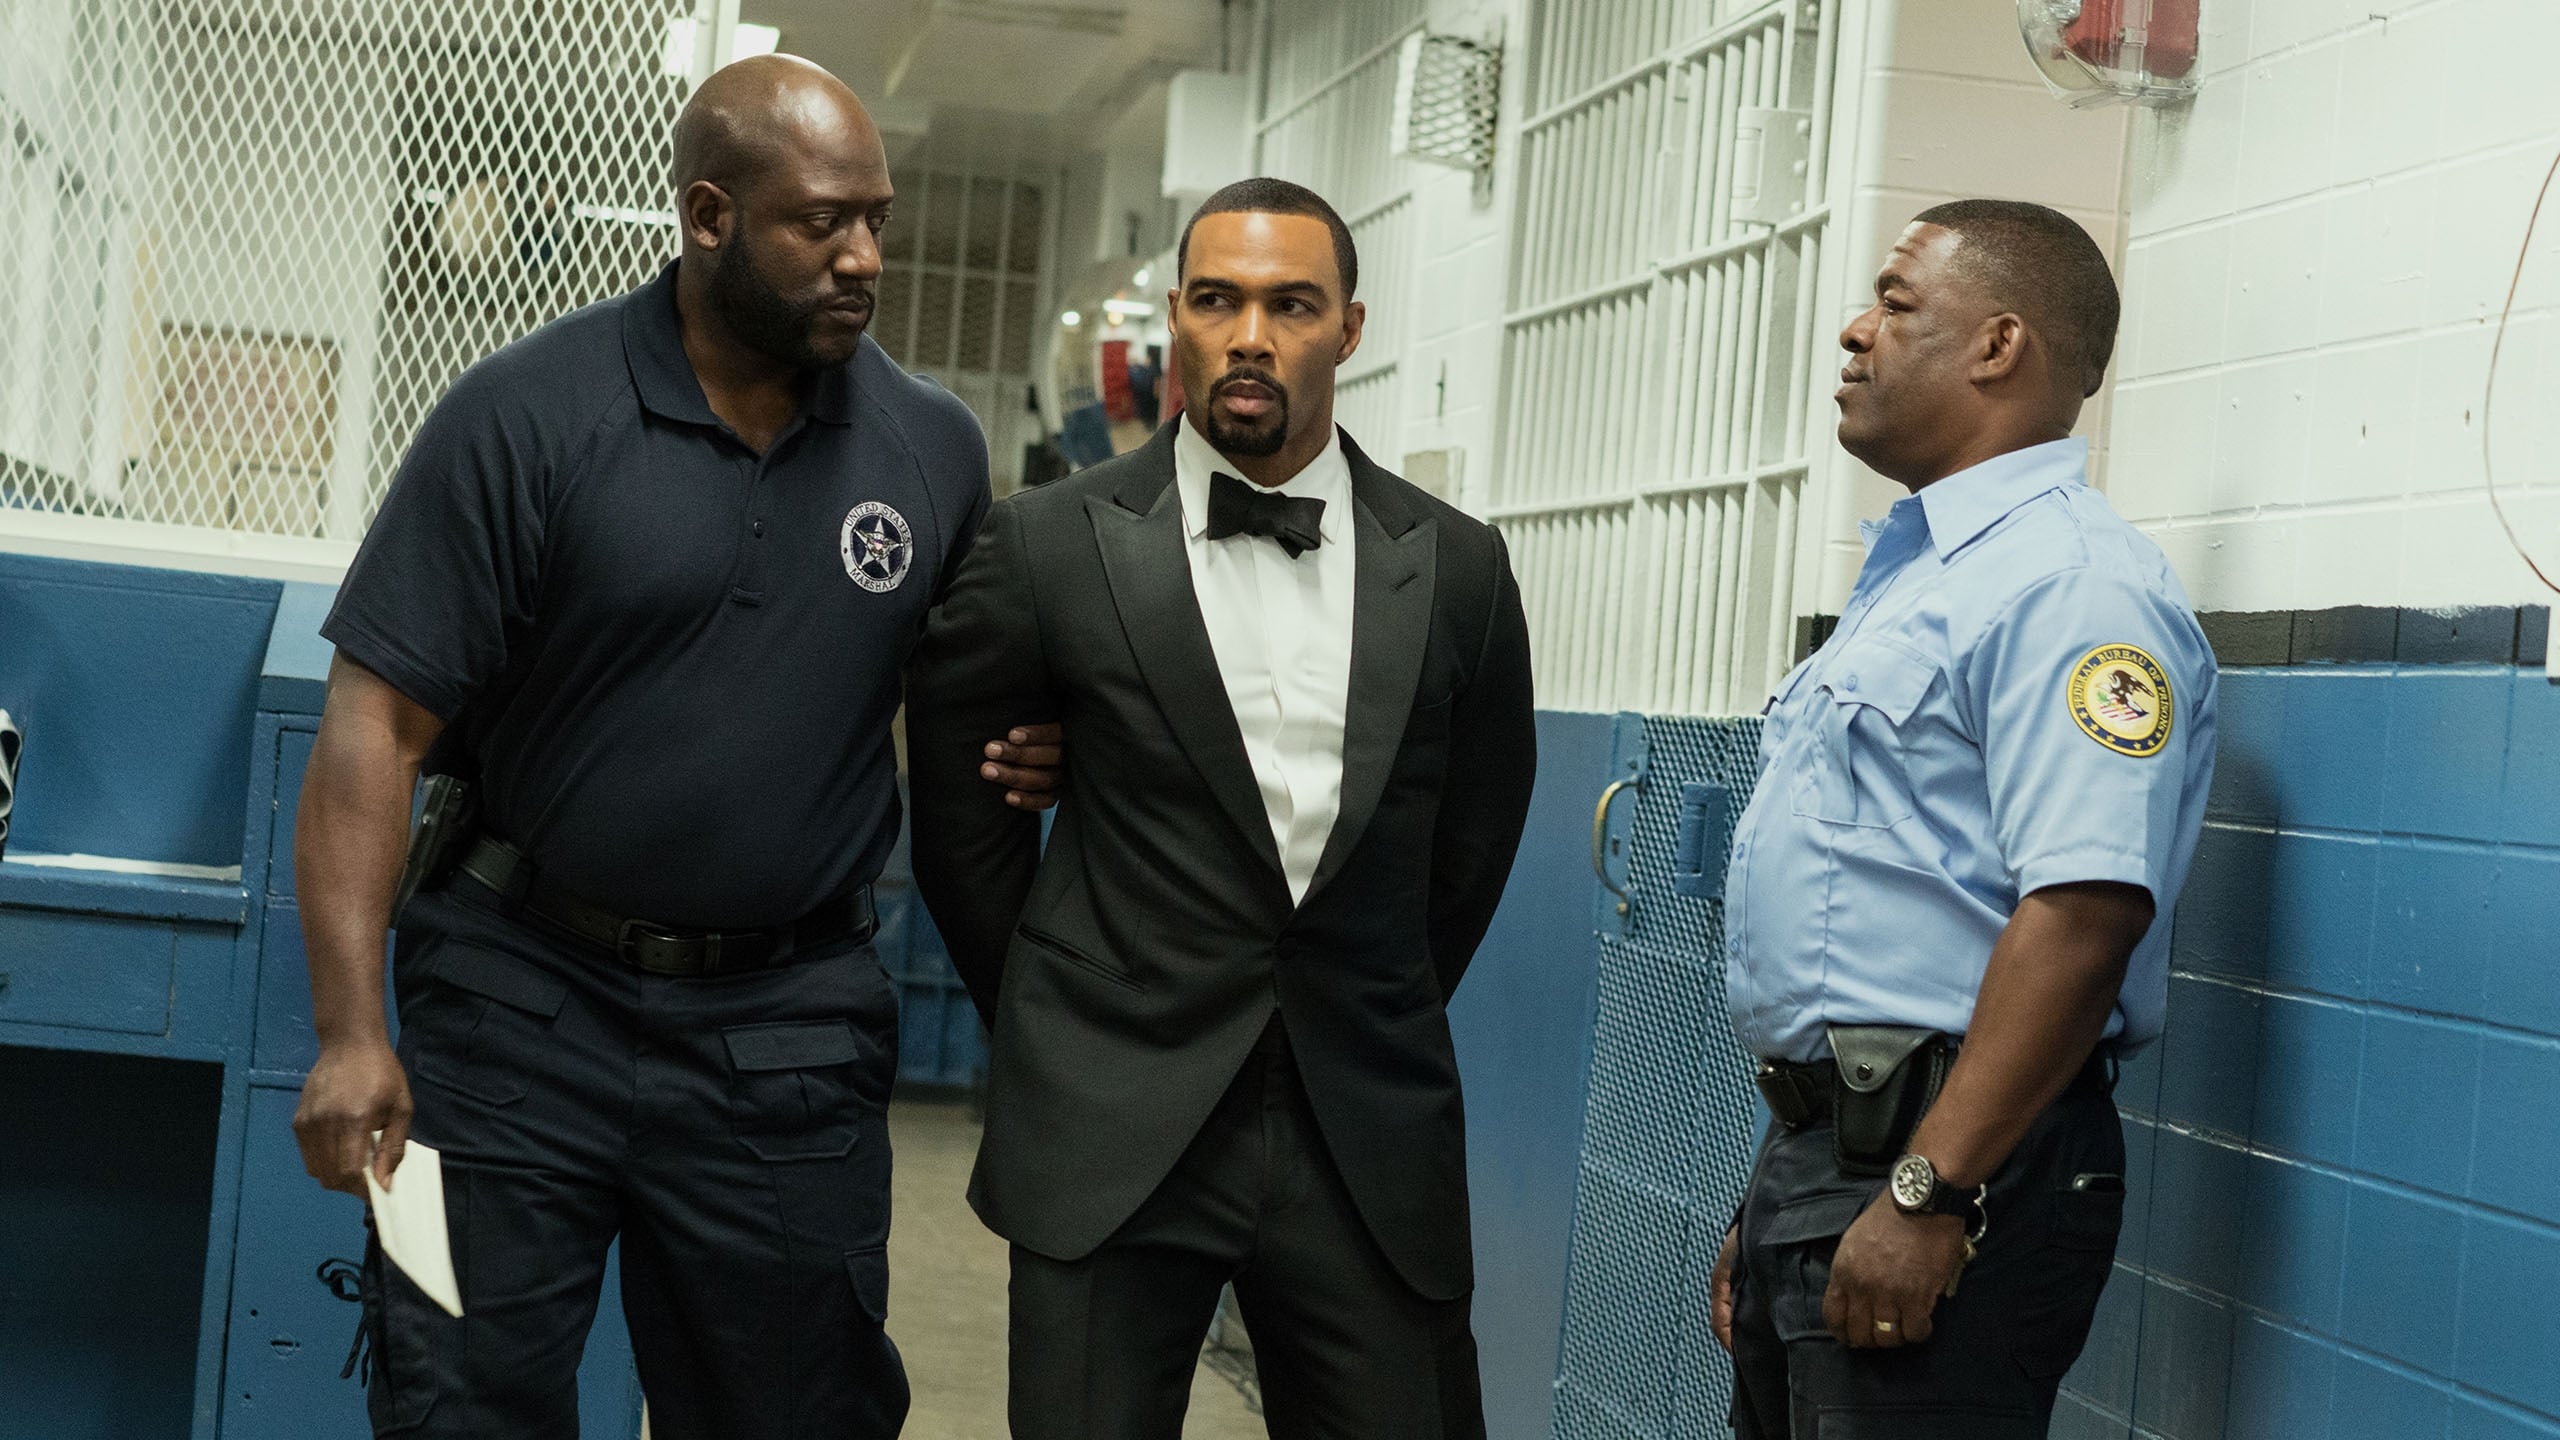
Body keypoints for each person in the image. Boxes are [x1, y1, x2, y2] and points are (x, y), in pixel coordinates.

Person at [288, 55, 1056, 1439]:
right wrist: (351, 1036)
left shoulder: (930, 450)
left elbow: (972, 723)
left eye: (875, 219)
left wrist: (1040, 746)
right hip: (517, 1009)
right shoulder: (526, 414)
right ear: (709, 217)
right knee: (458, 1405)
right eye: (819, 222)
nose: (864, 258)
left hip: (789, 1031)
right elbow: (373, 730)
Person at [904, 177, 1537, 1439]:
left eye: (1291, 305)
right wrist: (1059, 1016)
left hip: (1363, 1128)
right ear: (1176, 324)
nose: (1250, 335)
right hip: (1108, 1115)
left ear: (1348, 329)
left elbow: (1470, 844)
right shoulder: (1045, 545)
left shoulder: (1458, 567)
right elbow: (963, 827)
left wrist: (1363, 998)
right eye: (1216, 301)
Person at [1710, 199, 2217, 1437]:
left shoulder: (2069, 586)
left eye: (1894, 304)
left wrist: (1928, 1193)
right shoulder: (1925, 576)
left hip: (1951, 1171)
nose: (1854, 331)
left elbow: (2084, 913)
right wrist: (1781, 1185)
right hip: (1838, 1155)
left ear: (1997, 346)